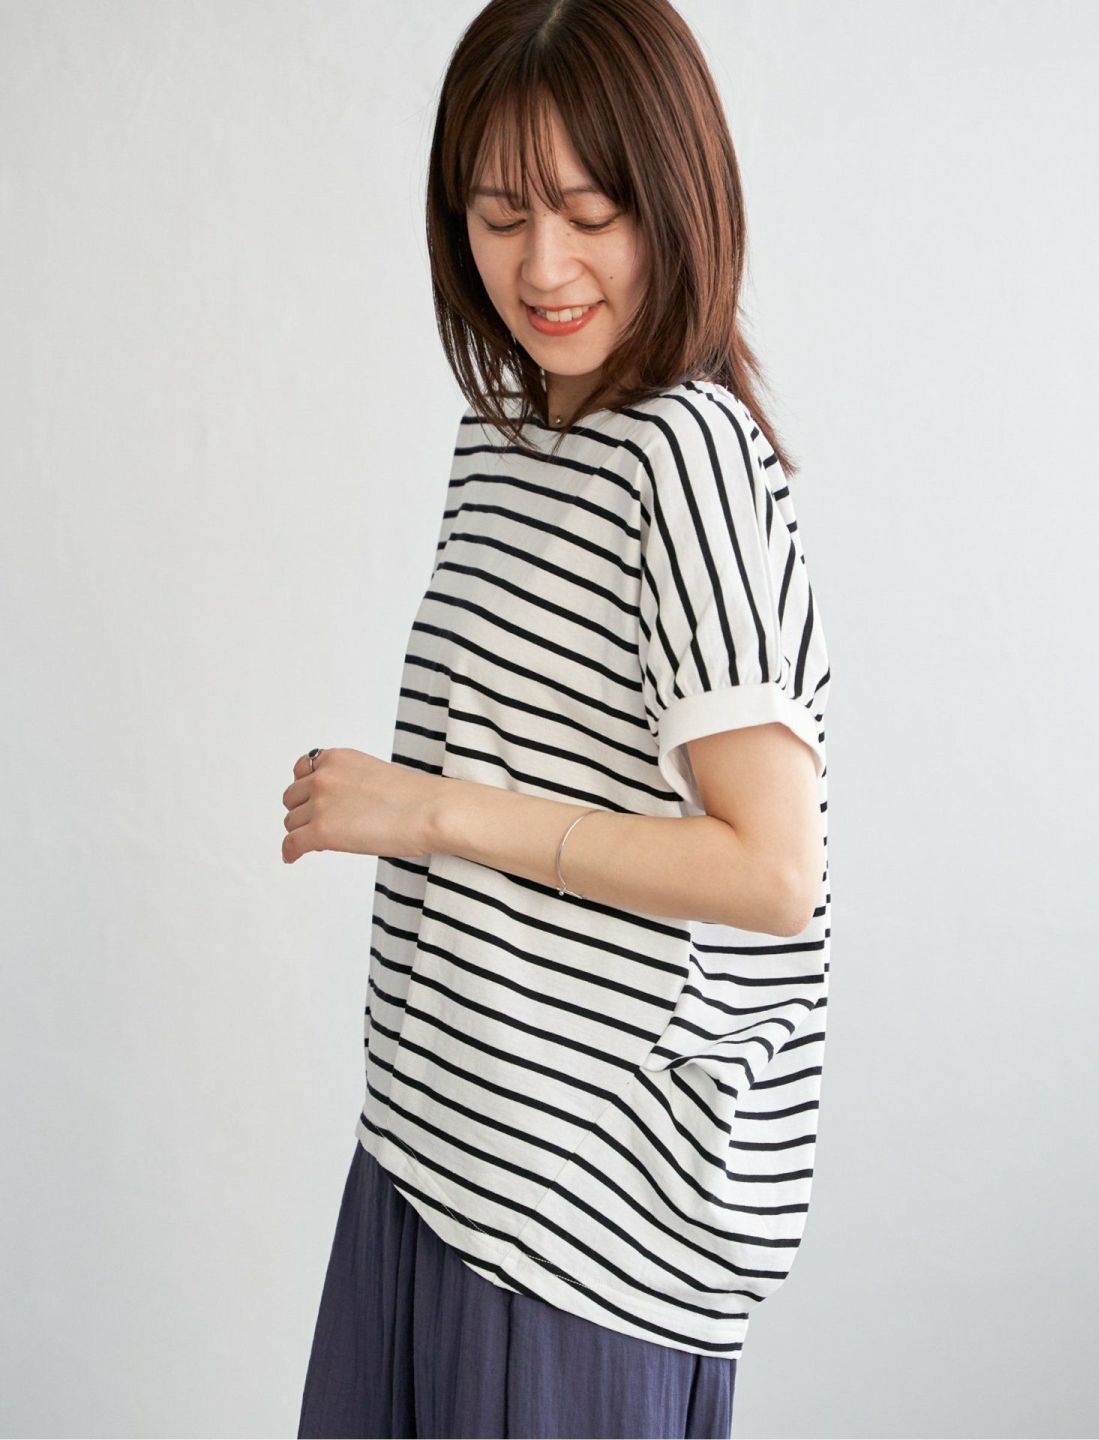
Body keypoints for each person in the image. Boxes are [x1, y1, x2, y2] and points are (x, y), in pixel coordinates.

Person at [284, 1, 833, 1435]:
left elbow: (773, 870)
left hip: (582, 1218)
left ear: (678, 202)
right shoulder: (510, 440)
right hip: (431, 1142)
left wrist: (430, 809)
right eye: (497, 213)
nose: (541, 266)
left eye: (591, 214)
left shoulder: (690, 456)